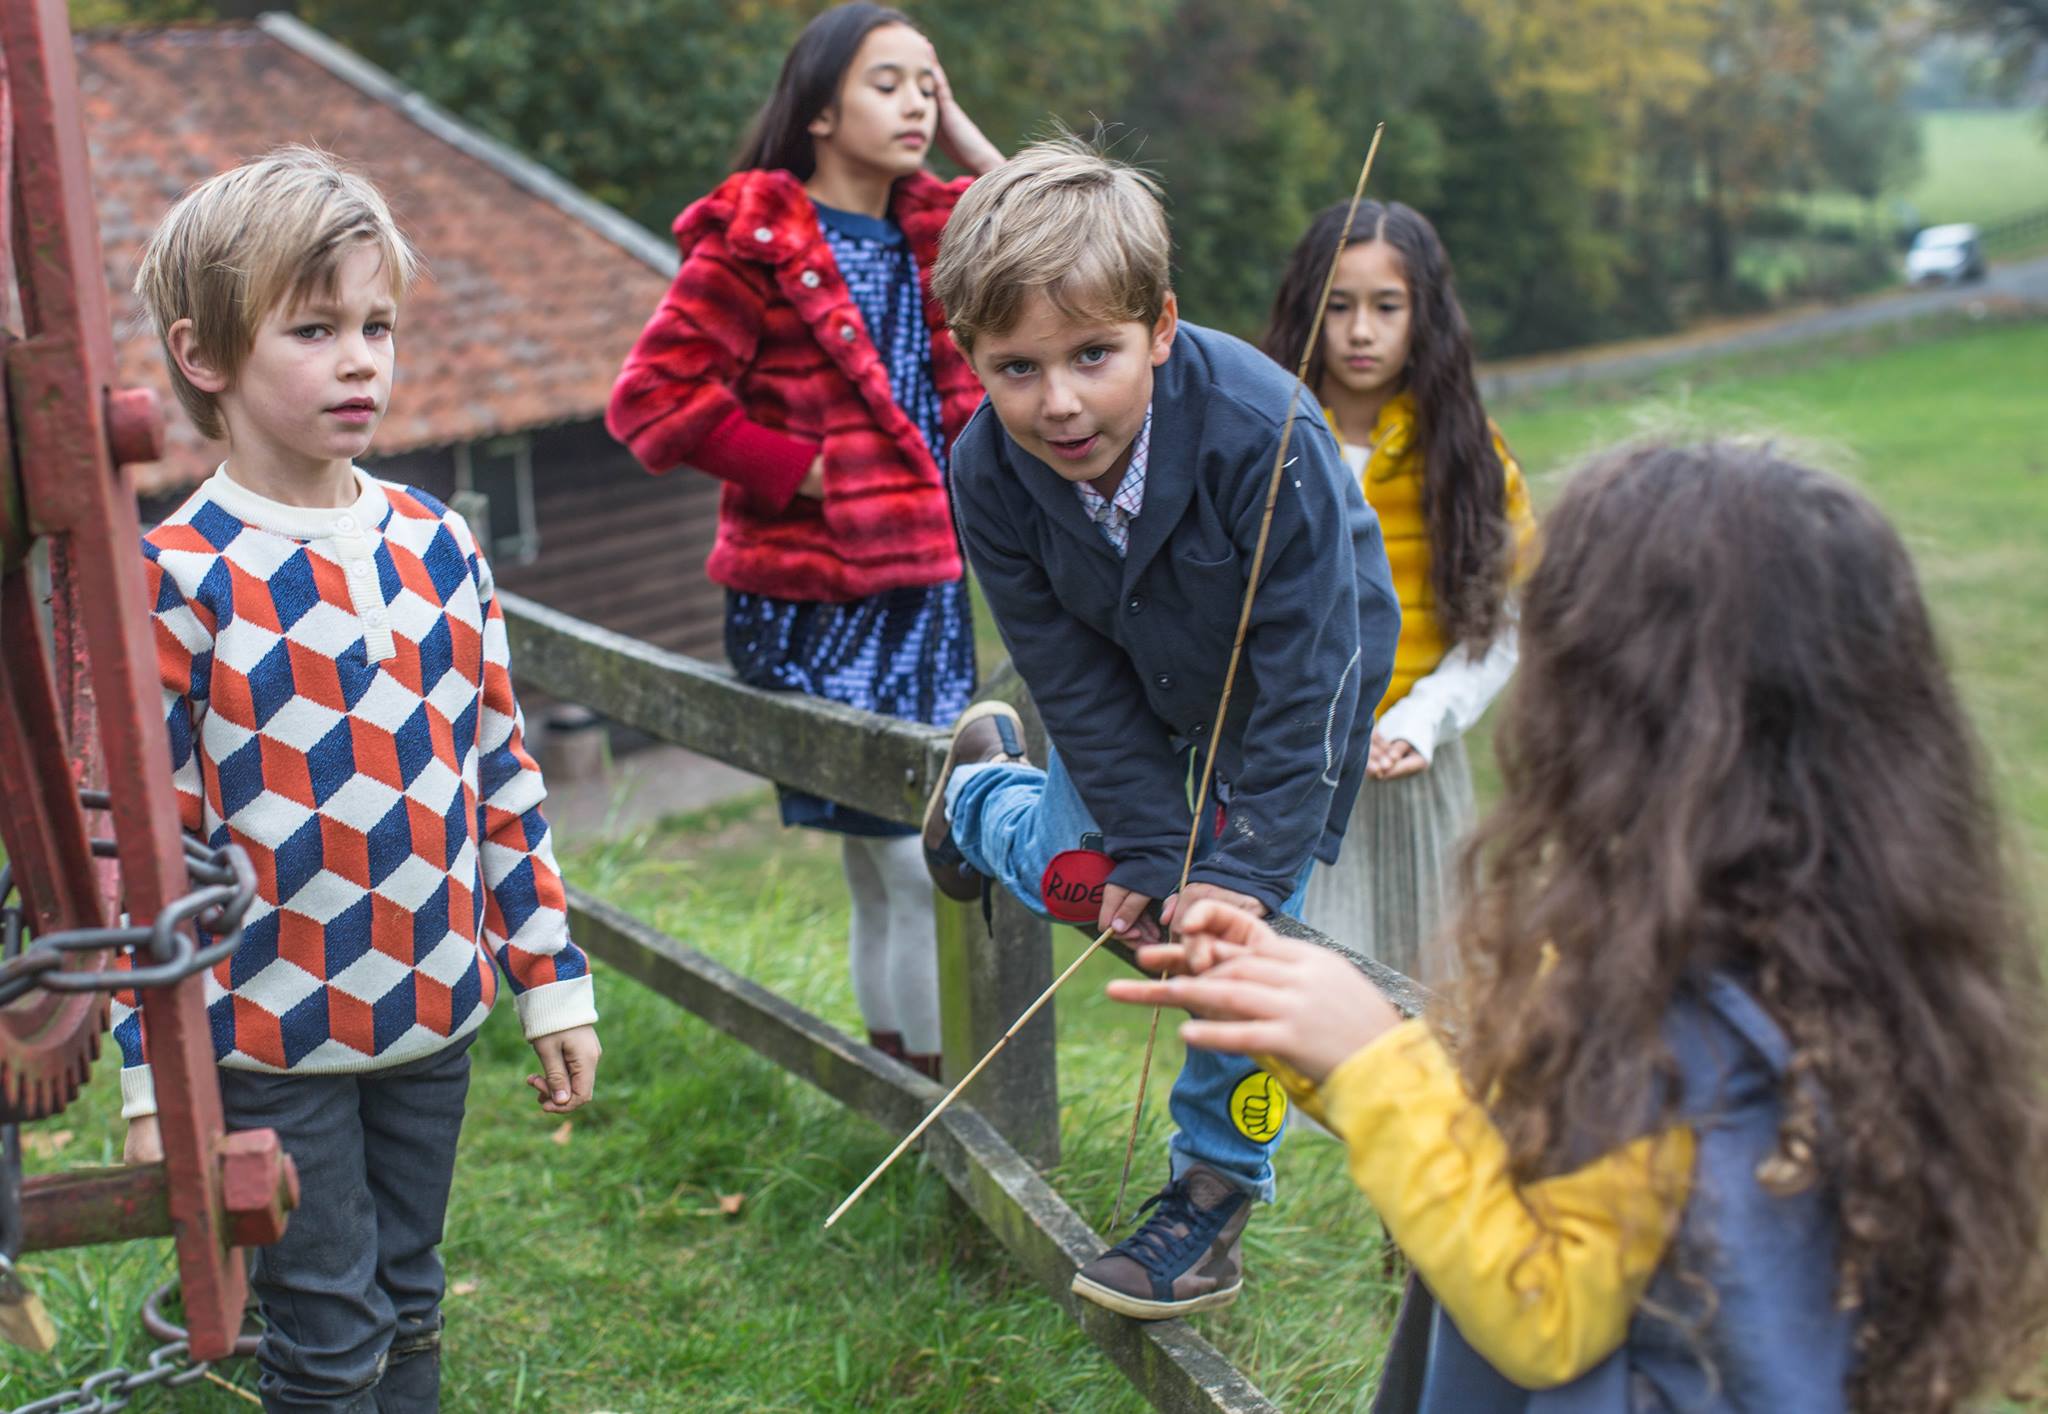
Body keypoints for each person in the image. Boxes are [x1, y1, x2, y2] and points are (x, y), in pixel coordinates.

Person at [1108, 439, 2048, 1411]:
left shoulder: (1681, 1028)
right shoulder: (1831, 964)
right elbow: (1552, 1172)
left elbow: (1541, 1313)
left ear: (1618, 721)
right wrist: (1327, 1038)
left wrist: (1373, 1067)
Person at [120, 146, 602, 1411]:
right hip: (265, 1037)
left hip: (433, 1012)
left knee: (411, 1299)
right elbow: (143, 848)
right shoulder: (175, 576)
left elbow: (502, 772)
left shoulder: (440, 543)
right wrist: (142, 1073)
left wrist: (550, 984)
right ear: (205, 354)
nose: (360, 359)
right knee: (328, 1334)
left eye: (377, 325)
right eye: (315, 327)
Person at [920, 137, 1401, 1319]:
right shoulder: (985, 470)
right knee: (1105, 886)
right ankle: (982, 797)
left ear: (1161, 327)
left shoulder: (1262, 436)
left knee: (1226, 935)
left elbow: (1310, 674)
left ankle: (1210, 1193)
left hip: (1287, 695)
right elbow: (1065, 671)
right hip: (1130, 681)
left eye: (1093, 354)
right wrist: (1145, 842)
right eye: (1016, 367)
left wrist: (1229, 871)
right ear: (972, 360)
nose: (1059, 401)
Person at [607, 3, 1003, 1079]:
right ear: (821, 106)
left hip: (926, 592)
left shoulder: (946, 226)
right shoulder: (756, 242)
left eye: (930, 81)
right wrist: (804, 468)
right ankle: (929, 1093)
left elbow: (1053, 223)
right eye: (888, 82)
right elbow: (650, 402)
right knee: (902, 868)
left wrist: (967, 139)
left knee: (901, 869)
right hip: (814, 602)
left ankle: (909, 1091)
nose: (916, 101)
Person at [1263, 200, 1534, 984]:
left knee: (1423, 996)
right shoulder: (1259, 437)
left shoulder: (1469, 456)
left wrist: (1425, 718)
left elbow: (1501, 619)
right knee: (1293, 997)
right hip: (1287, 776)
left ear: (1425, 315)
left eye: (1386, 307)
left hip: (1410, 766)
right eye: (1338, 306)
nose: (1359, 331)